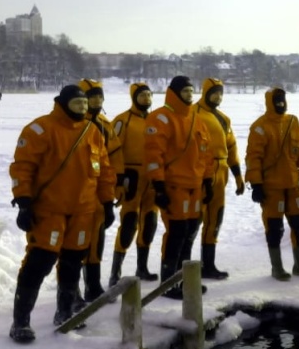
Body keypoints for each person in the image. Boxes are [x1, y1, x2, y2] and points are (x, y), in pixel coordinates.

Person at [9, 84, 117, 342]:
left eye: (84, 104)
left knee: (72, 263)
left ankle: (65, 313)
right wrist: (23, 202)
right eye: (77, 103)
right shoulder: (40, 129)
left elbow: (104, 170)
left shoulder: (92, 131)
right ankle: (20, 322)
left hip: (82, 212)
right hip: (50, 210)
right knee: (40, 262)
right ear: (63, 103)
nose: (82, 107)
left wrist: (108, 203)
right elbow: (22, 168)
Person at [145, 75, 213, 299]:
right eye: (184, 91)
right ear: (174, 93)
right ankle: (168, 283)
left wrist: (208, 180)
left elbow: (206, 154)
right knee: (177, 233)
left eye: (191, 91)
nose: (189, 95)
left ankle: (185, 280)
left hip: (195, 186)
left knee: (190, 232)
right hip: (173, 186)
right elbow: (153, 154)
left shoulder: (197, 119)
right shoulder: (160, 118)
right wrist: (158, 185)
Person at [245, 87, 299, 280]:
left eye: (283, 100)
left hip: (293, 186)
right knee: (274, 229)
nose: (281, 103)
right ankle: (277, 268)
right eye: (277, 100)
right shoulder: (259, 127)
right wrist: (256, 185)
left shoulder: (293, 122)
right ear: (270, 102)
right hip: (271, 188)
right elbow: (253, 158)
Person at [76, 78, 124, 301]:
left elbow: (114, 157)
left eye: (99, 96)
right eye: (92, 96)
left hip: (100, 190)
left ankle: (93, 286)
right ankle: (71, 292)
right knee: (75, 242)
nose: (96, 100)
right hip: (78, 192)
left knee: (97, 239)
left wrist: (118, 185)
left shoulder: (105, 124)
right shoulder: (75, 122)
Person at [195, 78, 246, 279]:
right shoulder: (193, 114)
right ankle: (182, 267)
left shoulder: (224, 119)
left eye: (220, 93)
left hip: (221, 172)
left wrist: (238, 175)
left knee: (215, 218)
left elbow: (231, 148)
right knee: (193, 221)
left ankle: (208, 264)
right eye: (214, 93)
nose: (218, 97)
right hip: (198, 174)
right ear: (205, 93)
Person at [108, 83, 159, 284]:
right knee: (129, 223)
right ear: (133, 97)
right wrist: (118, 181)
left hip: (152, 179)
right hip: (131, 178)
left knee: (150, 223)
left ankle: (142, 268)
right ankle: (115, 273)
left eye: (149, 95)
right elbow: (112, 151)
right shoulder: (122, 120)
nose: (146, 98)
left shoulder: (156, 120)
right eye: (142, 95)